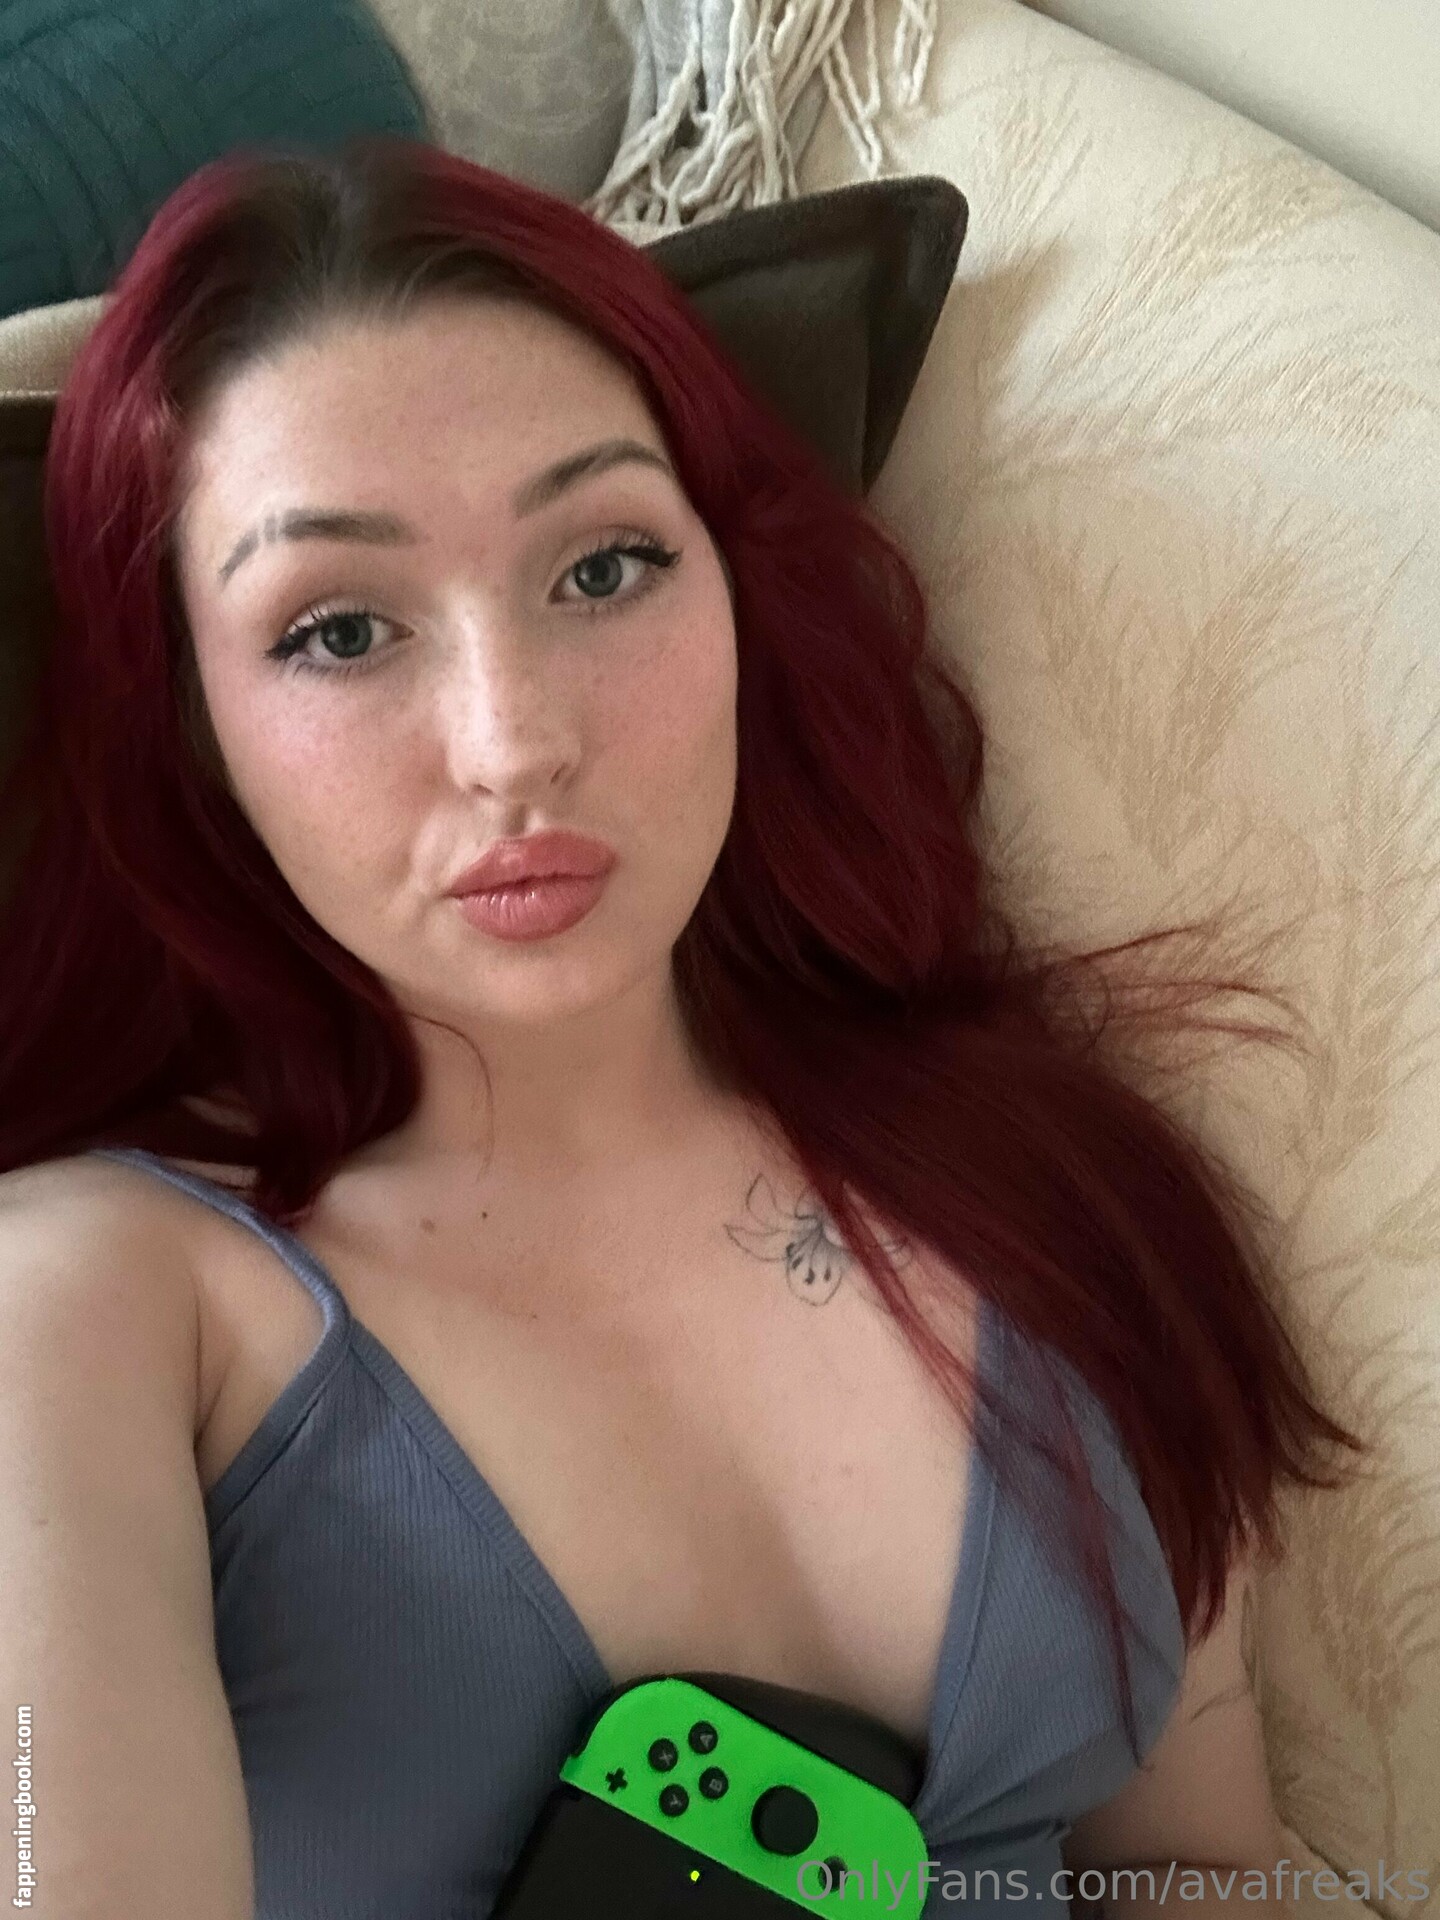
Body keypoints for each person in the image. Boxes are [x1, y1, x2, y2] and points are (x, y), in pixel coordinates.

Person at [0, 138, 1360, 1920]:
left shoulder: (1058, 1189)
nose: (514, 742)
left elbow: (1207, 1878)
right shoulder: (90, 1306)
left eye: (603, 569)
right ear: (194, 724)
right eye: (337, 630)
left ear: (734, 593)